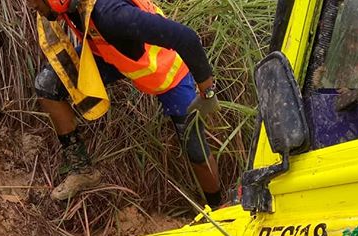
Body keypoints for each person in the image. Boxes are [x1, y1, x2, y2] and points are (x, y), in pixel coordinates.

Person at [27, 0, 222, 206]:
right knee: (47, 85)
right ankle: (82, 170)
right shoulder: (70, 6)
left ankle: (217, 207)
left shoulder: (112, 14)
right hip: (109, 54)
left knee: (195, 148)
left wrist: (207, 92)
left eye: (34, 1)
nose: (31, 6)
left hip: (167, 72)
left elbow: (186, 38)